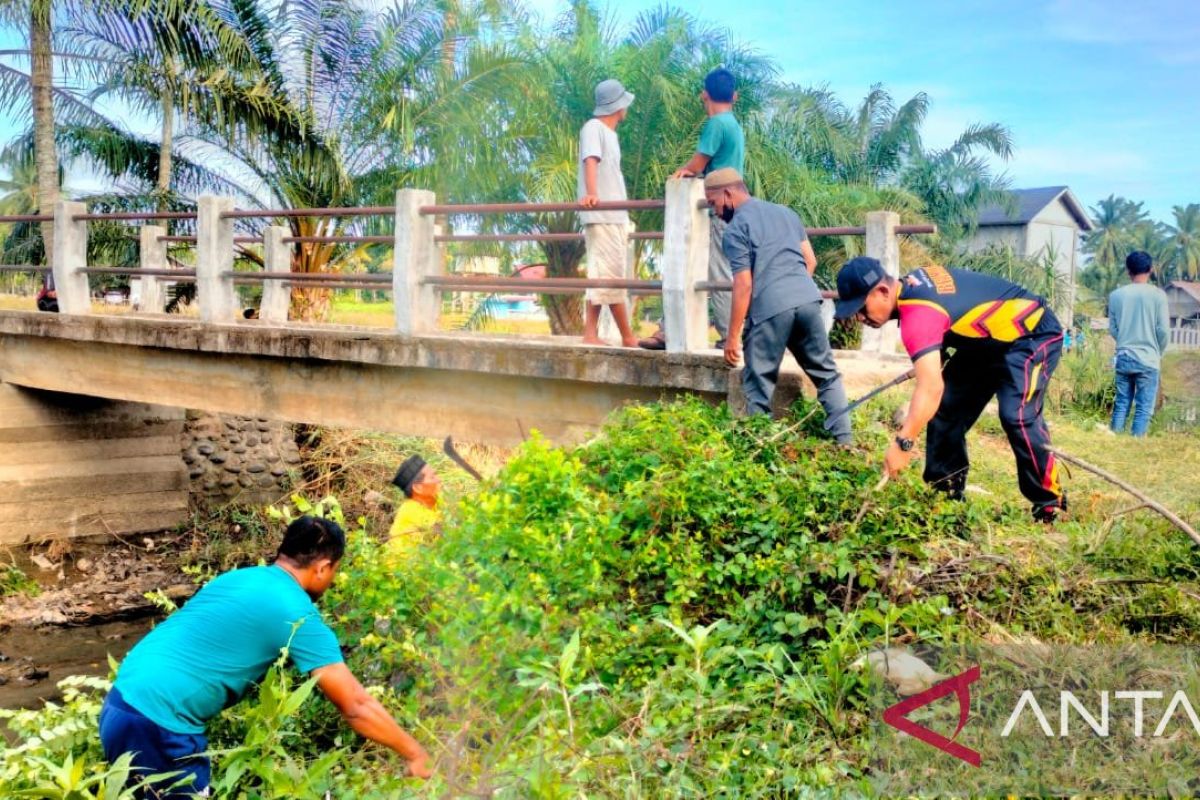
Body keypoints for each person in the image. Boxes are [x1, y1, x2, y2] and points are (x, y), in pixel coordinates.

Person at [100, 515, 432, 798]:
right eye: (334, 571)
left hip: (120, 702)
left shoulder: (240, 577)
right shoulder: (295, 611)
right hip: (160, 723)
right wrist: (415, 753)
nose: (331, 580)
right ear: (323, 567)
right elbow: (356, 705)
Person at [833, 257, 1067, 522]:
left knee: (1017, 416)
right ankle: (944, 495)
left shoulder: (917, 314)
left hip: (1031, 333)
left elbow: (930, 387)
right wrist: (936, 353)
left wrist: (903, 443)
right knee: (946, 408)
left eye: (861, 308)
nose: (860, 317)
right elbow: (957, 309)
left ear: (883, 292)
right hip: (986, 342)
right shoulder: (912, 285)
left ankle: (1050, 502)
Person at [704, 168, 851, 444]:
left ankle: (761, 451)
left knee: (758, 384)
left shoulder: (735, 229)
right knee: (827, 376)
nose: (715, 210)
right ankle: (846, 443)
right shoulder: (785, 213)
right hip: (808, 300)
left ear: (728, 193)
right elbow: (811, 260)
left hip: (771, 308)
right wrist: (791, 291)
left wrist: (732, 337)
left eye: (713, 203)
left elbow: (744, 285)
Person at [641, 67, 746, 351]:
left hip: (716, 208)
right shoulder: (734, 125)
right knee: (720, 270)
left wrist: (681, 173)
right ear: (735, 96)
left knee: (706, 268)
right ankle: (674, 330)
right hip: (731, 205)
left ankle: (681, 332)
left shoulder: (716, 125)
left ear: (705, 94)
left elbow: (697, 165)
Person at [578, 78, 638, 348]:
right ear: (618, 106)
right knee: (610, 276)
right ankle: (628, 337)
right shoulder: (594, 128)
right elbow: (591, 159)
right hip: (603, 214)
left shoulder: (610, 134)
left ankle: (592, 333)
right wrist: (592, 194)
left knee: (603, 275)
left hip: (614, 215)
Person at [1108, 250, 1170, 437]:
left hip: (1124, 355)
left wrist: (1125, 341)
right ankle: (1136, 443)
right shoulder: (1158, 295)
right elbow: (1163, 330)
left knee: (1122, 403)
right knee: (1144, 407)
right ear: (1150, 269)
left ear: (1128, 271)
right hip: (1149, 358)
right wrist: (1158, 351)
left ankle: (1115, 440)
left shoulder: (1116, 295)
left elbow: (1113, 328)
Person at [386, 454, 441, 561]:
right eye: (432, 477)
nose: (439, 479)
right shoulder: (411, 509)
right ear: (418, 488)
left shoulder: (434, 503)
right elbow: (446, 532)